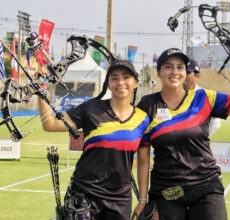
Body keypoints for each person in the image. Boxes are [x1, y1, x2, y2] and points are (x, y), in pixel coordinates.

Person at [137, 47, 230, 220]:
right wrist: (143, 199)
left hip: (206, 187)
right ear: (158, 72)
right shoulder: (147, 104)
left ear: (185, 72)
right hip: (167, 192)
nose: (174, 72)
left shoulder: (204, 98)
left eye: (180, 67)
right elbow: (143, 159)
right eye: (168, 67)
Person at [36, 60, 150, 220]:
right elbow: (50, 124)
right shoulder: (91, 109)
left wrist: (143, 199)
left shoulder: (143, 119)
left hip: (120, 199)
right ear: (109, 84)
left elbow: (143, 162)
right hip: (84, 193)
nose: (120, 82)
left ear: (135, 83)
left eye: (126, 77)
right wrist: (41, 88)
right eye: (114, 78)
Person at [183, 58, 221, 137]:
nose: (183, 75)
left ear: (197, 76)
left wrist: (200, 138)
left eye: (188, 72)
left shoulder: (206, 96)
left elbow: (215, 122)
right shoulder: (169, 94)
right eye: (181, 71)